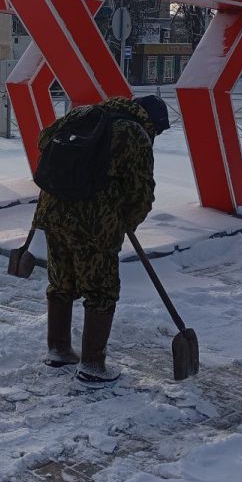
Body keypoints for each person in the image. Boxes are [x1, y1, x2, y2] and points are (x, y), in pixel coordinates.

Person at [33, 95, 169, 384]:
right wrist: (121, 223)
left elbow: (43, 140)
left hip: (53, 210)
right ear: (151, 122)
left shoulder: (84, 114)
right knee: (101, 291)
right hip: (94, 224)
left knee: (61, 282)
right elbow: (141, 192)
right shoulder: (135, 134)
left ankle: (58, 349)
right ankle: (93, 364)